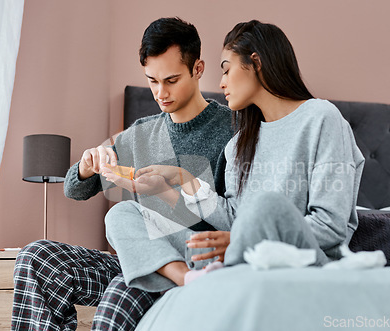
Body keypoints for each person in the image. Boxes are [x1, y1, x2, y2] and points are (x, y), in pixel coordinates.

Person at [11, 17, 233, 331]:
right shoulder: (139, 134)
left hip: (192, 260)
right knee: (37, 257)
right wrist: (87, 165)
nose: (160, 93)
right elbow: (75, 189)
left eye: (171, 80)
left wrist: (168, 192)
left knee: (115, 303)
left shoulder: (231, 131)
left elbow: (230, 218)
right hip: (137, 257)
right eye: (152, 80)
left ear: (198, 69)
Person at [134, 20, 365, 279]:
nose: (221, 83)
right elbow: (235, 220)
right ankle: (189, 279)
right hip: (239, 260)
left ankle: (219, 271)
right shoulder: (238, 145)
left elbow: (330, 226)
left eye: (226, 70)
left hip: (300, 265)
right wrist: (183, 179)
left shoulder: (321, 118)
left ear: (255, 63)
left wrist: (242, 242)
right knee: (127, 213)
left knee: (267, 204)